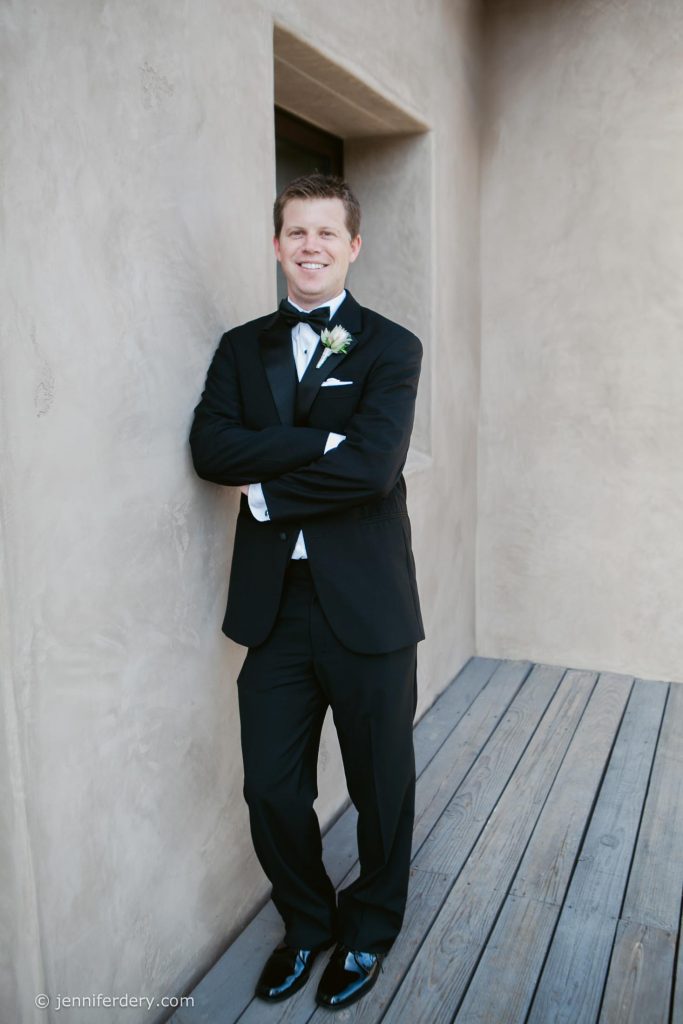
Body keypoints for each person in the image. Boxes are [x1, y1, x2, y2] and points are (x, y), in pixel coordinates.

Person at [189, 173, 424, 1011]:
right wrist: (314, 438)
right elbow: (210, 448)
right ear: (277, 243)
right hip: (275, 606)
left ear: (352, 245)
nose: (311, 246)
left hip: (368, 604)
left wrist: (269, 485)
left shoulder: (392, 347)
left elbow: (371, 466)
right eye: (297, 233)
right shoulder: (239, 345)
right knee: (272, 788)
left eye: (327, 233)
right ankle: (306, 922)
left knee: (380, 784)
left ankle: (369, 928)